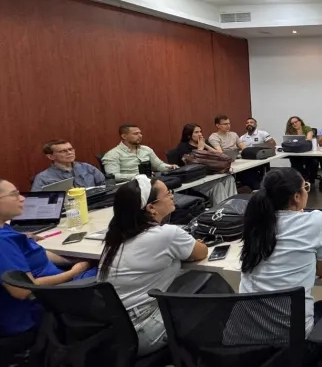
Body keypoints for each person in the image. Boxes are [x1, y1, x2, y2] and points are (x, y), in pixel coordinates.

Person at [98, 176, 208, 355]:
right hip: (142, 330)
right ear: (151, 208)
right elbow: (201, 252)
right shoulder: (166, 235)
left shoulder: (115, 237)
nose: (172, 196)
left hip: (112, 331)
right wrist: (189, 246)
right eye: (167, 194)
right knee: (212, 293)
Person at [239, 168, 322, 338]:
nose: (307, 191)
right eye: (305, 187)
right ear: (296, 197)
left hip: (248, 332)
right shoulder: (315, 220)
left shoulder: (256, 220)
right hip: (291, 334)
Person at [0, 178, 96, 337]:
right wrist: (73, 272)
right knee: (113, 270)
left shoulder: (7, 229)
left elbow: (36, 255)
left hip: (54, 289)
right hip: (44, 305)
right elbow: (22, 290)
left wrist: (71, 261)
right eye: (14, 195)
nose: (22, 198)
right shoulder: (3, 241)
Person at [170, 124, 237, 204]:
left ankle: (232, 205)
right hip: (195, 180)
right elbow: (191, 165)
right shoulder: (183, 146)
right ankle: (222, 209)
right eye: (196, 132)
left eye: (200, 131)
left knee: (229, 178)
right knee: (217, 186)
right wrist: (200, 149)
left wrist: (205, 145)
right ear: (189, 135)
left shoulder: (202, 144)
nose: (200, 134)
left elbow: (220, 155)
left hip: (209, 176)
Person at [102, 124, 176, 181]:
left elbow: (158, 165)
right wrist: (137, 176)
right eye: (136, 134)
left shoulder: (146, 149)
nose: (140, 136)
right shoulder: (112, 154)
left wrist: (170, 167)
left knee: (176, 179)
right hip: (131, 186)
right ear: (124, 136)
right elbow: (113, 176)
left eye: (140, 133)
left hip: (150, 180)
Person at [31, 139, 105, 191]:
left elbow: (105, 184)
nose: (69, 153)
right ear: (51, 156)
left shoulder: (87, 167)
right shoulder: (43, 178)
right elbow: (37, 201)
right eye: (63, 151)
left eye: (71, 149)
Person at [285, 116, 318, 183]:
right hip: (296, 153)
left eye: (296, 122)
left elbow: (308, 140)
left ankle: (311, 179)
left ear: (300, 121)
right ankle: (301, 178)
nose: (294, 124)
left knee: (314, 162)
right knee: (295, 161)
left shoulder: (307, 128)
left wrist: (296, 144)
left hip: (308, 153)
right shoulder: (290, 131)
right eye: (292, 123)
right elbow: (288, 142)